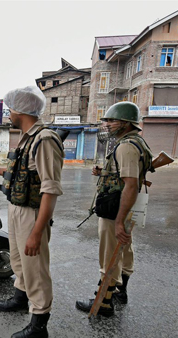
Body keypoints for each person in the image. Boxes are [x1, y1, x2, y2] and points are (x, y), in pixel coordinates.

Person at [0, 86, 64, 338]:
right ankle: (20, 298)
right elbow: (20, 173)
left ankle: (39, 324)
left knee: (35, 268)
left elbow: (50, 188)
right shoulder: (28, 137)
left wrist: (37, 232)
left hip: (31, 214)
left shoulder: (45, 139)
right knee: (18, 260)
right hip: (17, 207)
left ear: (21, 110)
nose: (8, 113)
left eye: (10, 108)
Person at [75, 101, 153, 317]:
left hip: (117, 207)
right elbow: (130, 175)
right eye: (106, 120)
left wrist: (118, 221)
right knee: (124, 248)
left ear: (126, 123)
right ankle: (121, 291)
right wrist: (105, 172)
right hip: (129, 204)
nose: (107, 124)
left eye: (111, 120)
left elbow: (130, 184)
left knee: (109, 254)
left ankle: (103, 303)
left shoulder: (126, 146)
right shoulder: (136, 141)